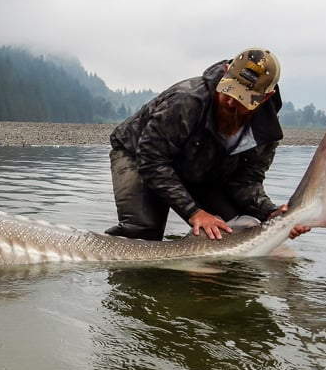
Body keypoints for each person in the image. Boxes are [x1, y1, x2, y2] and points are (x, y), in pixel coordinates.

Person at [105, 47, 310, 241]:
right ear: (226, 71)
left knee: (241, 230)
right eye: (229, 90)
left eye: (243, 100)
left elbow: (246, 182)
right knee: (144, 231)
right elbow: (151, 159)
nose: (230, 103)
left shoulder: (265, 133)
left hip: (200, 169)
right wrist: (194, 212)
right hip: (136, 154)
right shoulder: (187, 100)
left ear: (266, 97)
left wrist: (271, 214)